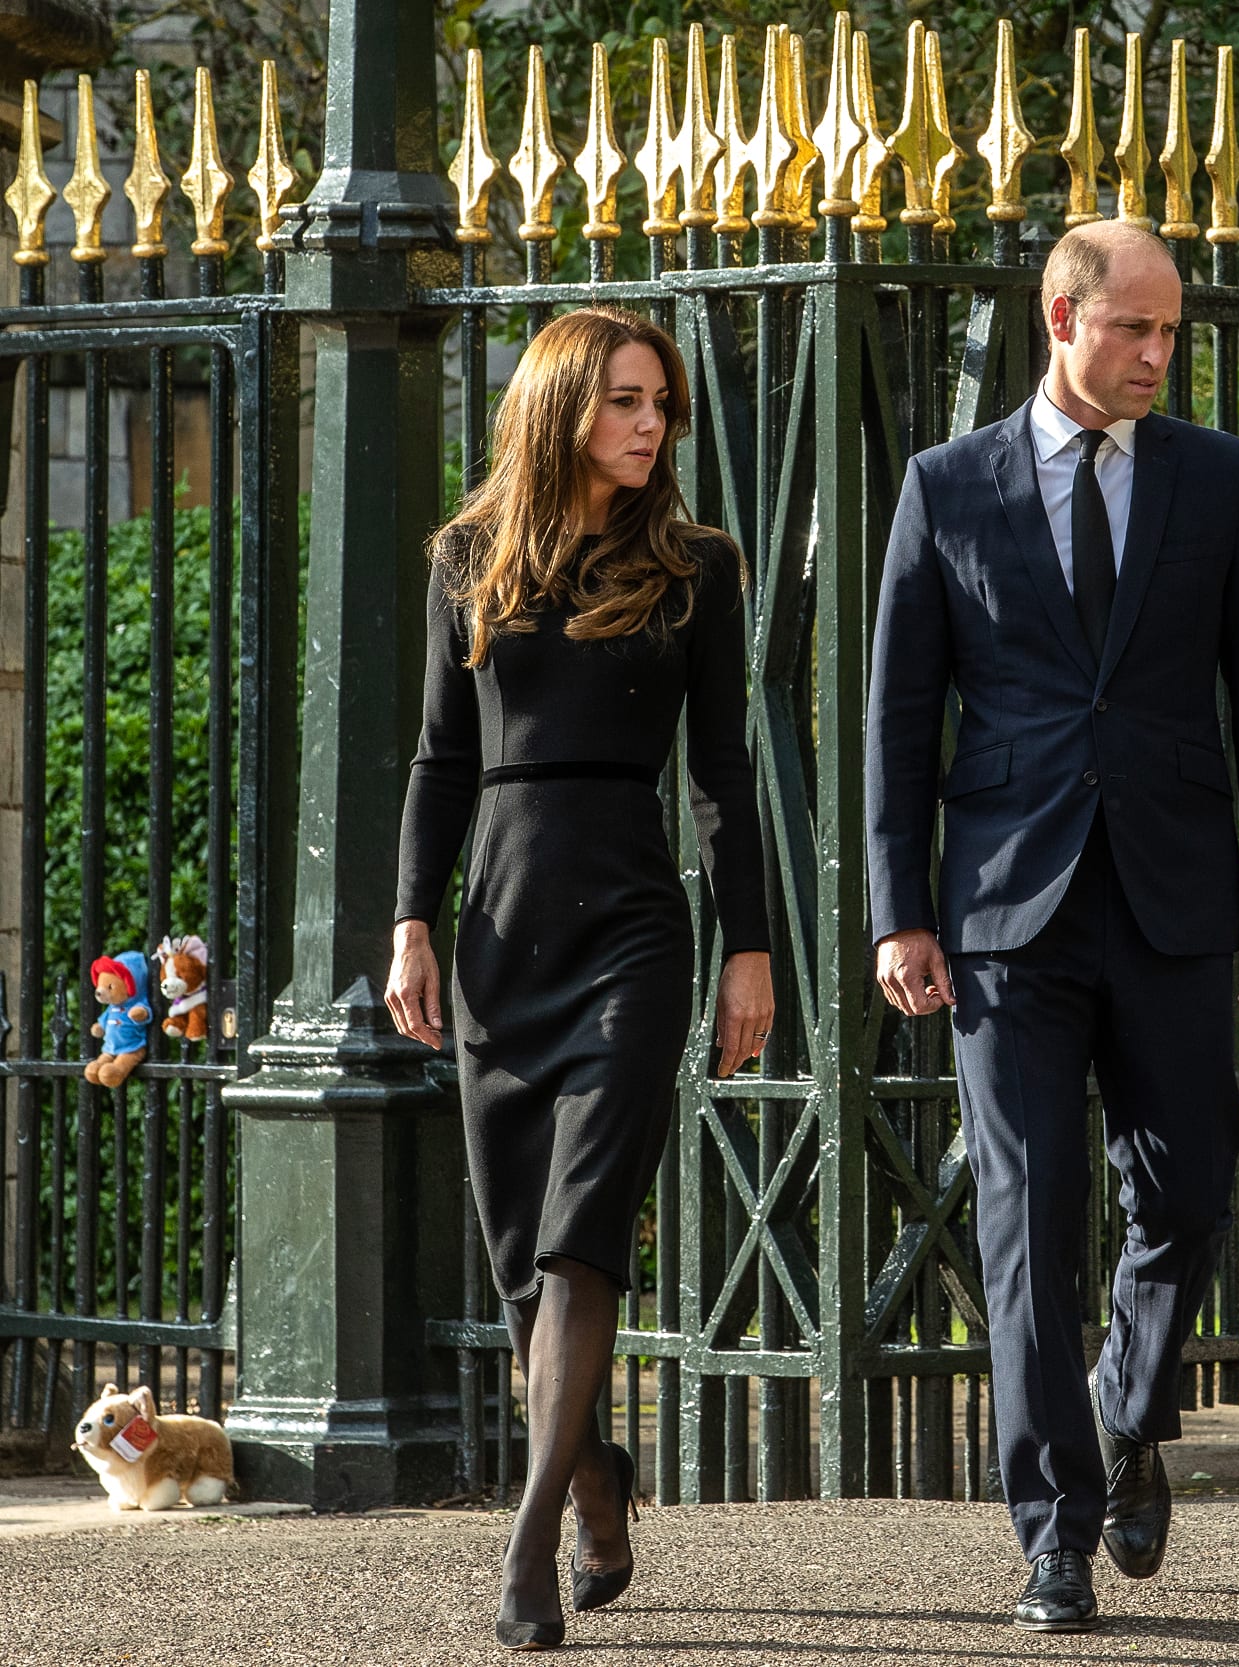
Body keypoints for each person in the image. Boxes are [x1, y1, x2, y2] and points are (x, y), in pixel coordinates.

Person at [866, 220, 1239, 1633]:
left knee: (1188, 1189)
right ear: (1063, 317)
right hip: (1006, 910)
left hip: (1178, 896)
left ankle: (1127, 1407)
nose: (1157, 355)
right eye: (1134, 329)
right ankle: (1052, 1529)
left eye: (1169, 332)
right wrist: (900, 911)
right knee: (1027, 1211)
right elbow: (894, 718)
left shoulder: (1221, 482)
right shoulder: (948, 486)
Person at [386, 307, 773, 1649]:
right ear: (561, 406)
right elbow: (440, 758)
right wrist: (410, 921)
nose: (650, 422)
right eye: (623, 399)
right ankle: (599, 1470)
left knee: (581, 1234)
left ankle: (532, 1536)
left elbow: (724, 774)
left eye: (658, 401)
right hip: (499, 924)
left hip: (632, 931)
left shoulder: (696, 567)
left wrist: (750, 944)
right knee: (517, 1264)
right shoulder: (466, 558)